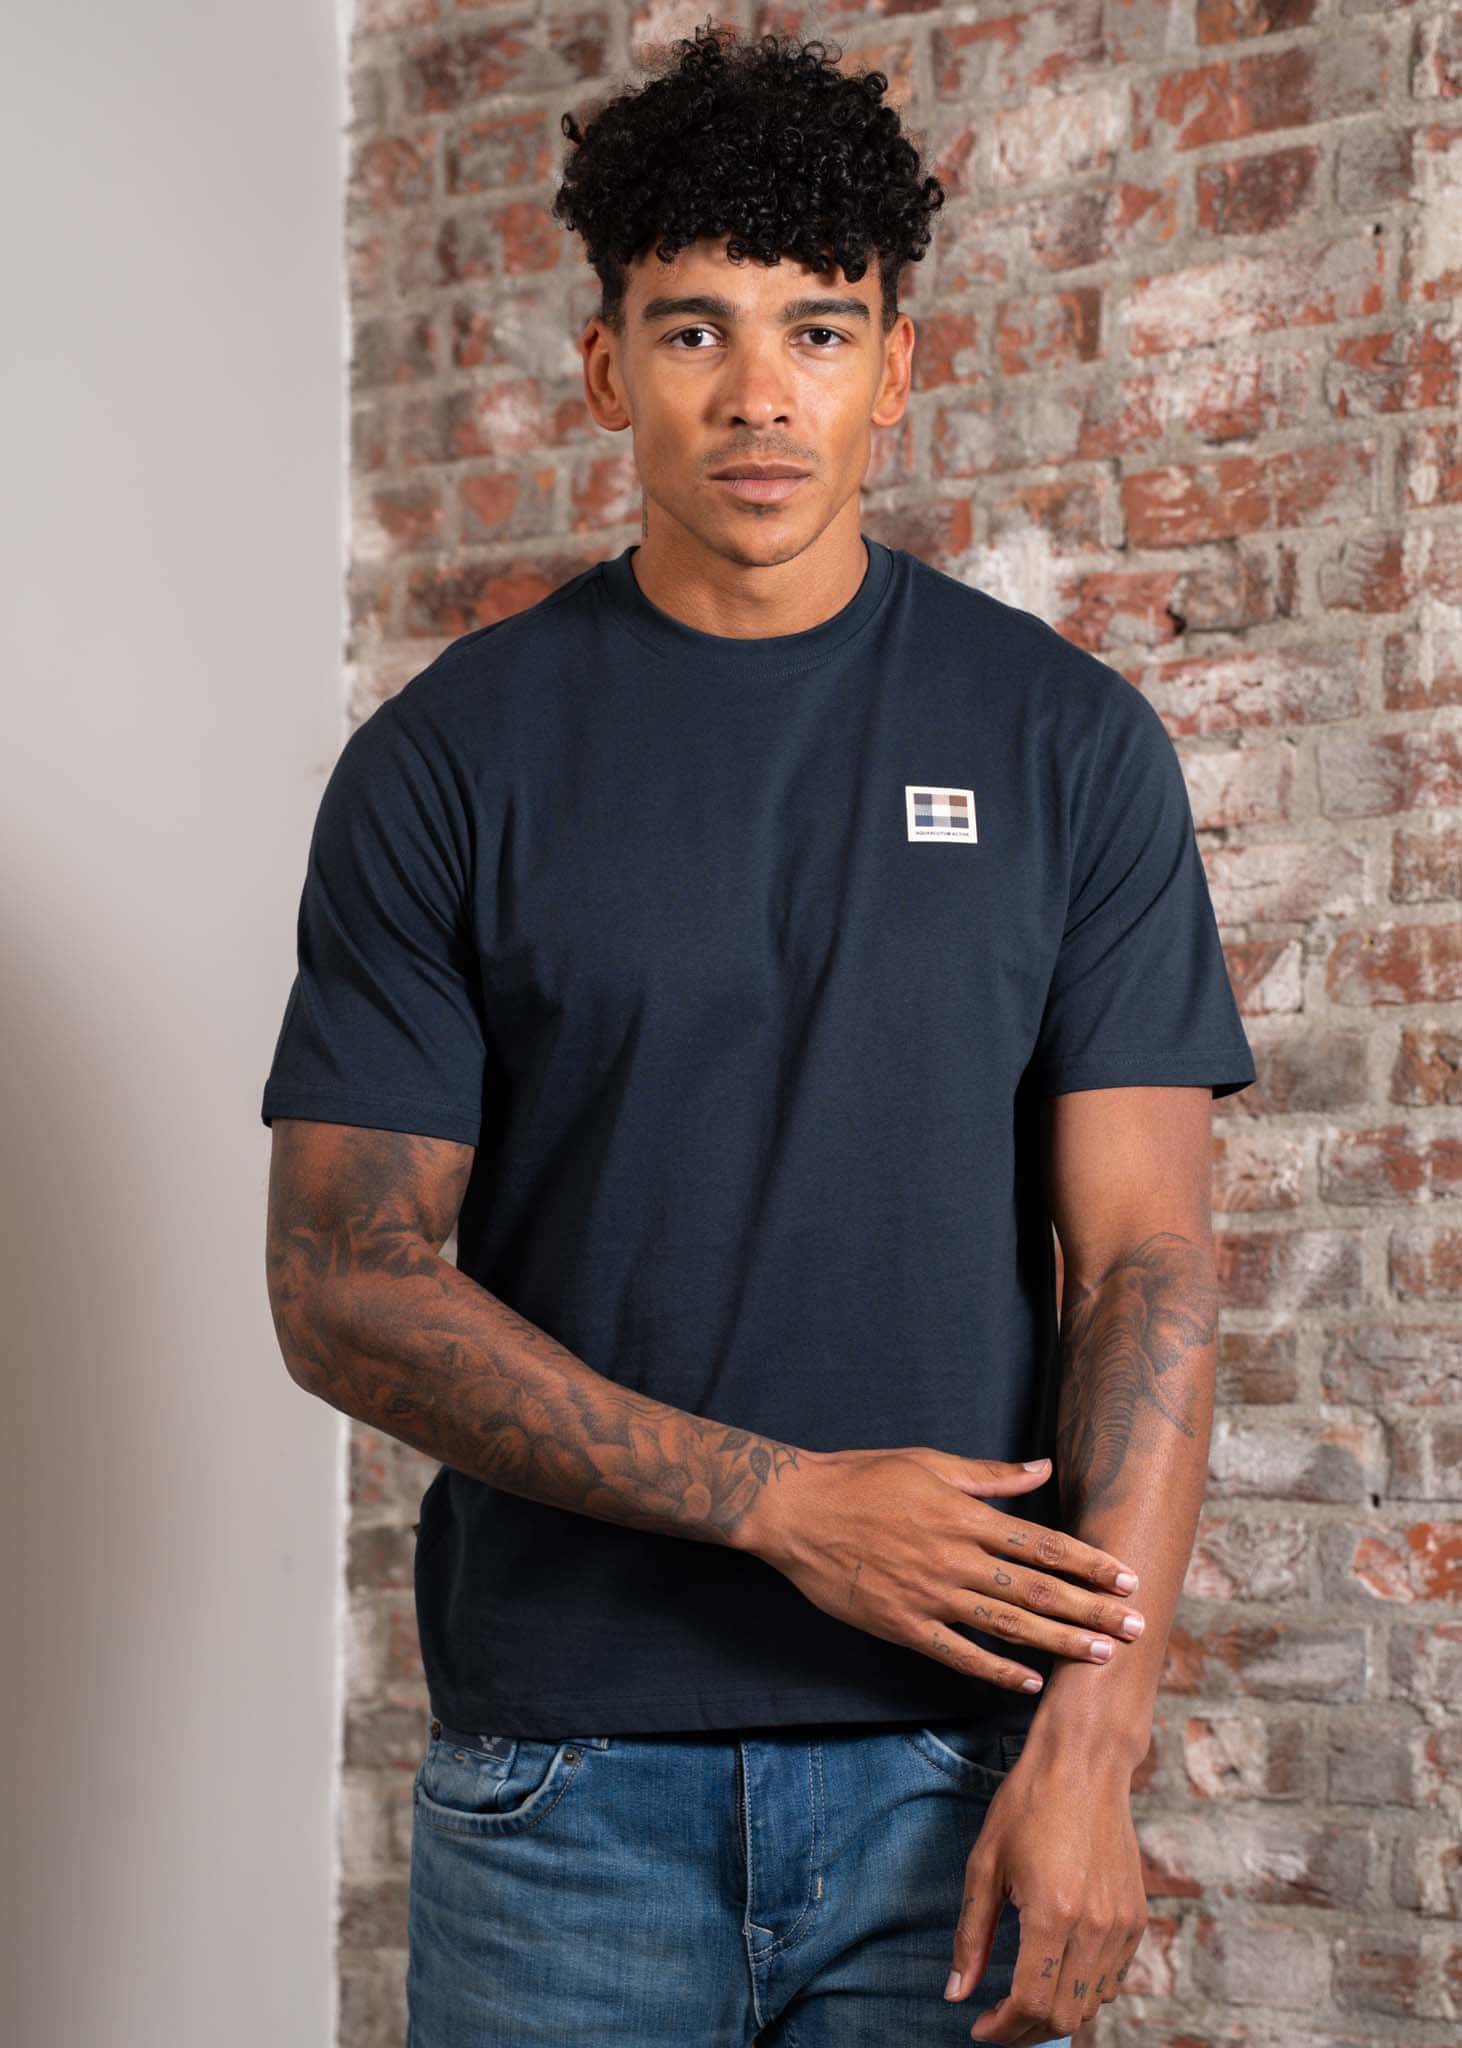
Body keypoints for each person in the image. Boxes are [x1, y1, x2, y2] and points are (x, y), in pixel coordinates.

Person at [261, 21, 1256, 2046]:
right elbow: (342, 1284)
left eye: (815, 330)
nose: (756, 394)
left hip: (954, 1771)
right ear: (604, 369)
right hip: (563, 1791)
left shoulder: (1063, 744)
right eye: (691, 330)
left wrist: (1092, 1747)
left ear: (895, 366)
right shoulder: (447, 761)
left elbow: (1141, 1264)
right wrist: (777, 1501)